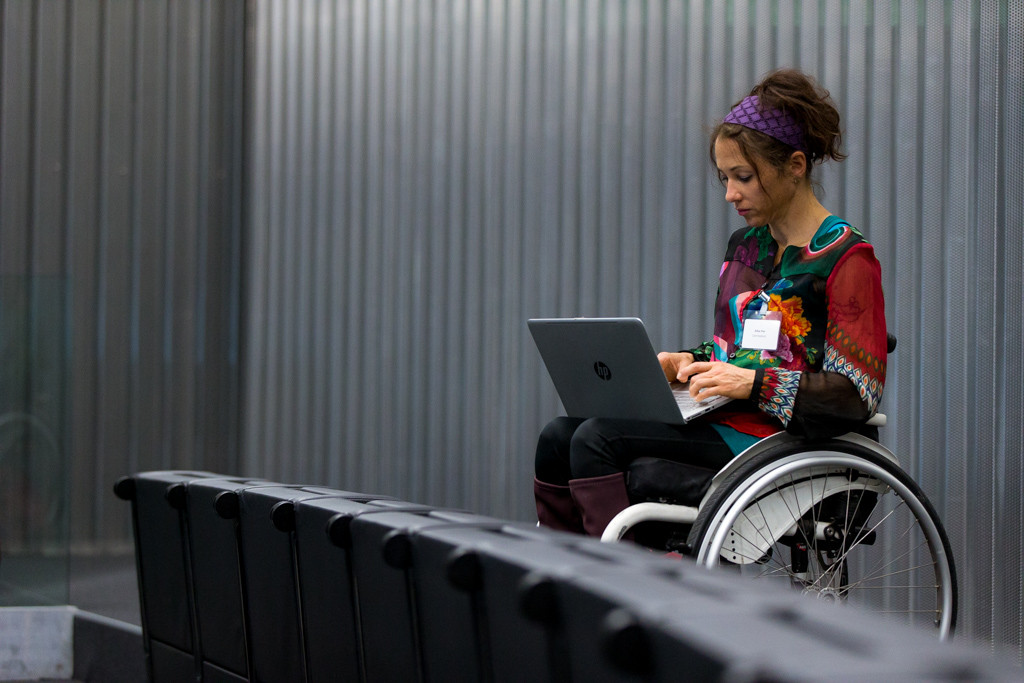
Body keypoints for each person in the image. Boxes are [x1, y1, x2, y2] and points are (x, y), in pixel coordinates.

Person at [533, 69, 888, 538]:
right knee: (558, 436)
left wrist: (753, 383)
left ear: (796, 165)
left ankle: (624, 575)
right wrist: (686, 362)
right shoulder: (747, 246)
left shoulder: (847, 257)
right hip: (722, 417)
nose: (730, 194)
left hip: (778, 439)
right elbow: (736, 349)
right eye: (724, 177)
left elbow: (856, 394)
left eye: (744, 177)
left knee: (597, 438)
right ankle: (562, 569)